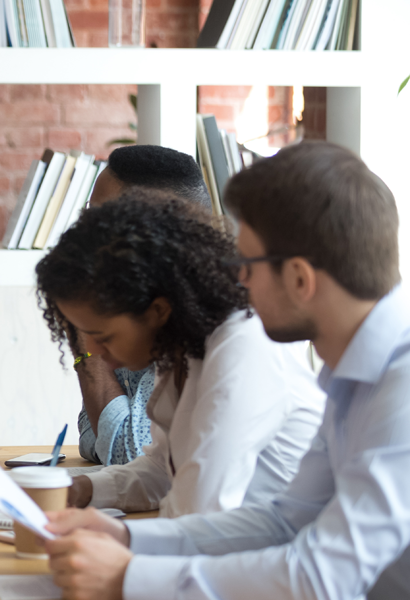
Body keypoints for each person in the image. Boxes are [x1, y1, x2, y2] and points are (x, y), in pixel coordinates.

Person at [44, 141, 410, 600]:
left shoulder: (401, 389)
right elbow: (284, 521)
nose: (236, 279)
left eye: (247, 264)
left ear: (300, 279)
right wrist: (130, 540)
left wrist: (128, 577)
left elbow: (322, 578)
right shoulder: (348, 376)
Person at [35, 191, 324, 517]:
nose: (96, 355)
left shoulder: (242, 347)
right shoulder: (181, 346)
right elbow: (166, 469)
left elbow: (200, 509)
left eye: (104, 337)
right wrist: (82, 490)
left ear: (157, 310)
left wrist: (119, 539)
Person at [77, 145, 213, 467]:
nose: (85, 234)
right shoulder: (135, 302)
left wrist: (84, 337)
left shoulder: (199, 323)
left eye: (101, 221)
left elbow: (131, 453)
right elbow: (90, 435)